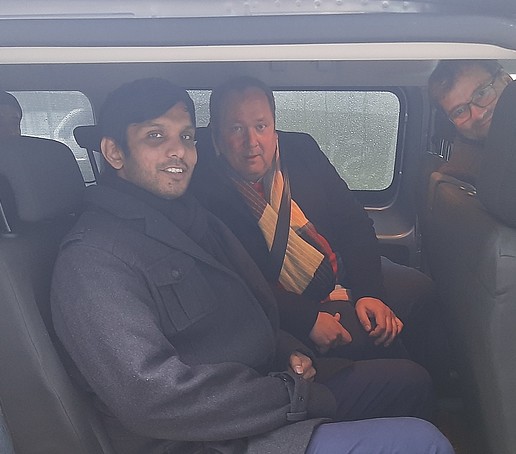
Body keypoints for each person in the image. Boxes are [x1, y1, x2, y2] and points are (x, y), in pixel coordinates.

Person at [51, 78, 454, 454]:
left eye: (186, 137)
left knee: (411, 383)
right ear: (114, 151)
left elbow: (248, 299)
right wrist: (288, 393)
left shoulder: (186, 218)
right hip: (220, 435)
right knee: (423, 442)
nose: (178, 151)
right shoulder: (93, 260)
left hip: (269, 384)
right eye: (155, 136)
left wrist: (289, 350)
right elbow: (151, 398)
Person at [190, 76, 444, 379]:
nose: (252, 142)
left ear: (274, 127)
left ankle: (440, 394)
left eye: (261, 126)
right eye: (236, 129)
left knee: (420, 290)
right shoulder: (201, 187)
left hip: (340, 274)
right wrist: (307, 318)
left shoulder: (301, 149)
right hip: (281, 305)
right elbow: (233, 282)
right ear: (216, 136)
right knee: (375, 339)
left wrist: (370, 293)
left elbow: (353, 222)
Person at [428, 59, 513, 185]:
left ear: (507, 81)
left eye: (481, 93)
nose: (478, 115)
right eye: (459, 111)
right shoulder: (463, 175)